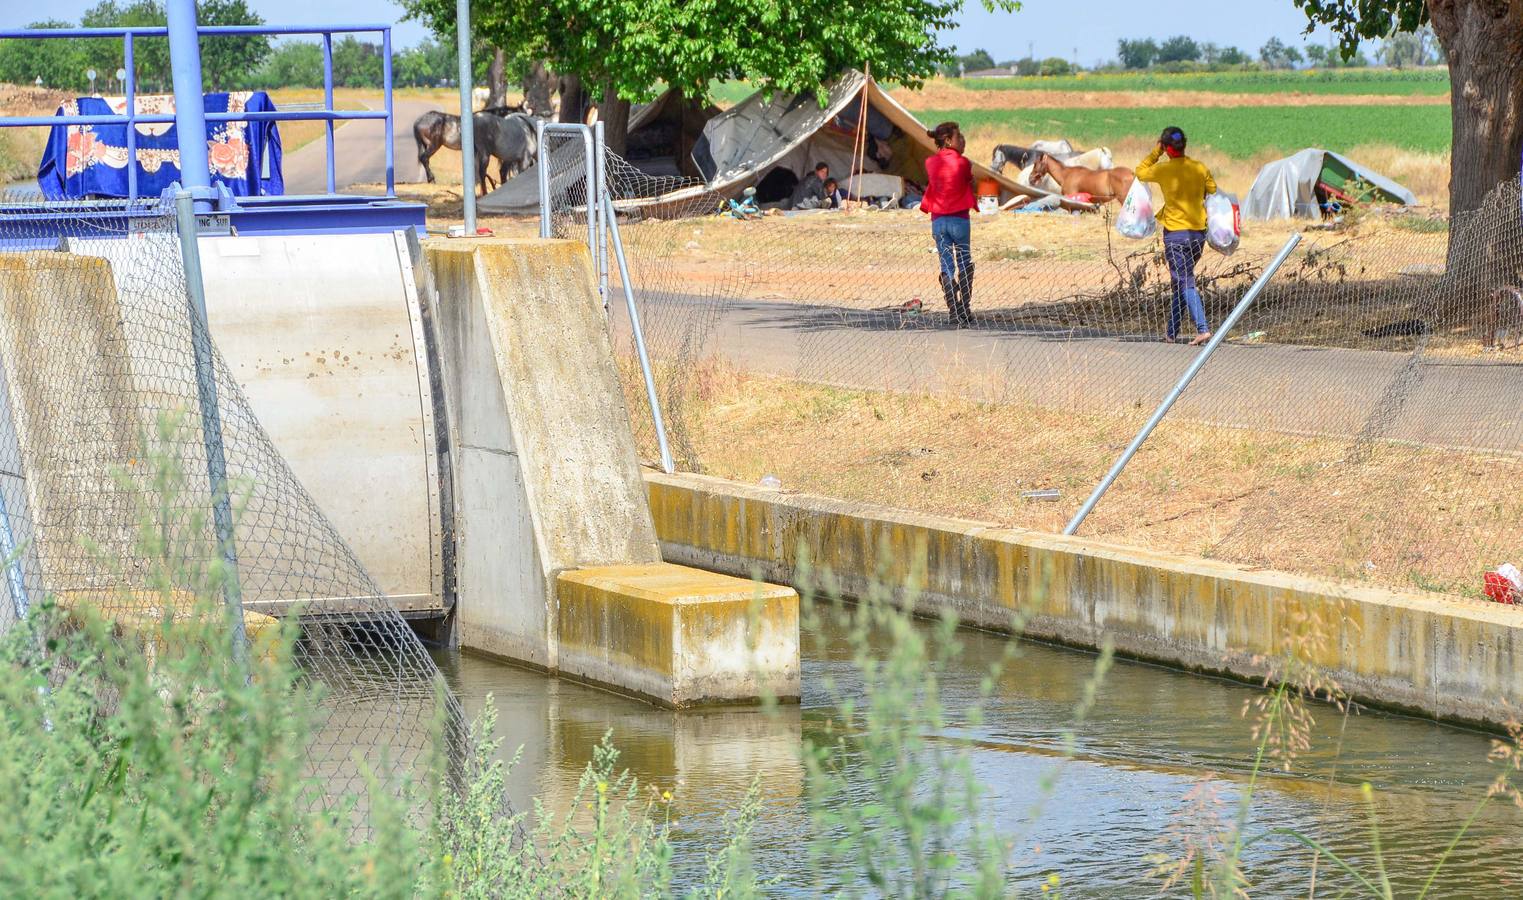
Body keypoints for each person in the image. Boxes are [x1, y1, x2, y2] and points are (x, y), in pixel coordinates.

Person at [1135, 126, 1218, 345]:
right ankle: (1171, 333)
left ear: (1166, 147)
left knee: (1185, 281)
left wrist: (1156, 152)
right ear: (1184, 145)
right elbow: (1212, 188)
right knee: (1180, 281)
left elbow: (1140, 171)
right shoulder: (1199, 168)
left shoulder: (1163, 170)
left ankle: (1202, 328)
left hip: (1176, 236)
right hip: (1198, 234)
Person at [921, 121, 976, 326]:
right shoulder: (963, 163)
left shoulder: (930, 163)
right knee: (964, 261)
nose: (962, 140)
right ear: (948, 140)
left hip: (938, 221)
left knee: (946, 264)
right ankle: (965, 307)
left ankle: (953, 311)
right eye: (958, 136)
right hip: (959, 220)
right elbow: (967, 180)